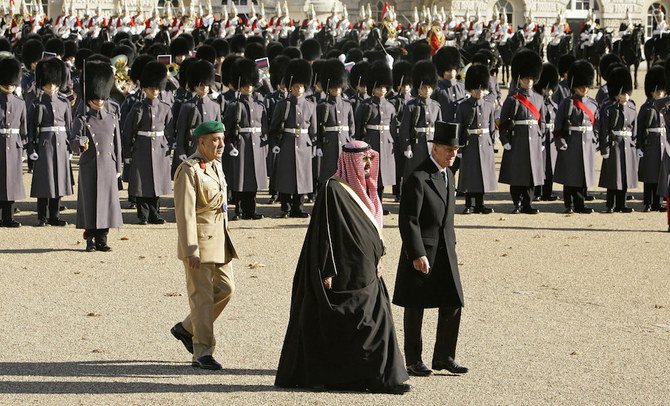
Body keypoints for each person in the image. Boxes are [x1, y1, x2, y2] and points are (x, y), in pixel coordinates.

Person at [275, 140, 410, 394]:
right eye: (362, 160)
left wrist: (378, 257)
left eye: (370, 158)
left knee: (378, 320)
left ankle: (382, 377)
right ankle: (360, 377)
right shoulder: (333, 189)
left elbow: (371, 228)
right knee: (359, 324)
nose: (368, 164)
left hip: (367, 268)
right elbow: (323, 233)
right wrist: (327, 269)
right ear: (349, 161)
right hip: (344, 271)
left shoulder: (367, 191)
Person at [393, 121, 467, 377]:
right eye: (448, 150)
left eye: (455, 150)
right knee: (416, 306)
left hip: (446, 248)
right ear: (435, 148)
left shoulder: (448, 174)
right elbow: (408, 220)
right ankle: (414, 360)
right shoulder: (418, 177)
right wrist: (416, 253)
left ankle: (444, 356)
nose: (452, 154)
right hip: (423, 251)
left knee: (453, 303)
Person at [171, 120, 238, 370]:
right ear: (201, 142)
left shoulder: (215, 165)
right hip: (199, 243)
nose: (220, 144)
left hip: (220, 240)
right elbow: (185, 213)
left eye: (222, 139)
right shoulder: (189, 170)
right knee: (202, 298)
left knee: (227, 289)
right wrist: (190, 249)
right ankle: (202, 352)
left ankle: (187, 328)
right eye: (214, 140)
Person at [73, 61, 123, 252]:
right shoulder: (82, 117)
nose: (99, 102)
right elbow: (73, 140)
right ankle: (90, 239)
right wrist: (80, 142)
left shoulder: (111, 116)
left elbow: (116, 142)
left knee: (107, 203)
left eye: (102, 98)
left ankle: (102, 238)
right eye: (96, 99)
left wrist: (118, 167)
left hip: (108, 164)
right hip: (90, 165)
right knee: (90, 203)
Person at [123, 61, 173, 225]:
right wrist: (128, 153)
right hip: (142, 147)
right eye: (152, 88)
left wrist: (167, 145)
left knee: (156, 182)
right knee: (142, 182)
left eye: (157, 88)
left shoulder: (165, 108)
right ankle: (143, 214)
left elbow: (169, 130)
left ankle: (154, 213)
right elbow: (129, 131)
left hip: (158, 147)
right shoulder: (138, 108)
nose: (155, 91)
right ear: (145, 89)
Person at [498, 49, 546, 214]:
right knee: (517, 172)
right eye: (526, 78)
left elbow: (542, 122)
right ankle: (517, 203)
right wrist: (505, 141)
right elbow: (503, 123)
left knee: (532, 173)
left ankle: (528, 203)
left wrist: (542, 140)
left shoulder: (539, 99)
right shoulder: (512, 99)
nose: (529, 82)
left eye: (532, 78)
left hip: (534, 139)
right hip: (517, 139)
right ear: (520, 79)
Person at [29, 57, 73, 227]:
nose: (52, 86)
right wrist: (31, 148)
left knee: (58, 178)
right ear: (43, 83)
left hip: (61, 143)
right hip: (45, 143)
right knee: (44, 179)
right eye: (48, 83)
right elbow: (32, 128)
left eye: (54, 83)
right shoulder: (36, 103)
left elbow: (68, 128)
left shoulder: (64, 103)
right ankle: (42, 216)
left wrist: (69, 148)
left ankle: (54, 215)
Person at [269, 58, 317, 218]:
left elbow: (313, 129)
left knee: (302, 176)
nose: (298, 89)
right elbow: (274, 127)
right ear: (291, 87)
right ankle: (286, 207)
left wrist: (314, 146)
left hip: (304, 144)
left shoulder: (310, 106)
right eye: (296, 86)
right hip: (287, 143)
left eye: (301, 86)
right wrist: (275, 143)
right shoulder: (283, 104)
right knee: (286, 176)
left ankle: (299, 207)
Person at [223, 58, 268, 220]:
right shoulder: (234, 105)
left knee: (253, 179)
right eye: (245, 85)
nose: (248, 87)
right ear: (240, 85)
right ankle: (239, 210)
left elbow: (264, 127)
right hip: (240, 144)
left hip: (256, 144)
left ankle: (251, 210)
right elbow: (227, 129)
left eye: (250, 84)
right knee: (240, 179)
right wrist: (230, 146)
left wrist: (265, 145)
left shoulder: (259, 104)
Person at [553, 60, 599, 214]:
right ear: (574, 86)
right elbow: (558, 124)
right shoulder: (567, 103)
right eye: (581, 86)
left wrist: (594, 139)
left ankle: (580, 204)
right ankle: (569, 204)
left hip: (587, 142)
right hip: (571, 141)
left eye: (586, 86)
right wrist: (561, 141)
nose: (584, 89)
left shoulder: (593, 104)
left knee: (582, 174)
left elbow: (597, 125)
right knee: (570, 175)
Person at [455, 63, 496, 214]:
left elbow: (491, 126)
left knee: (482, 173)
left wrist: (491, 142)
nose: (479, 91)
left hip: (484, 142)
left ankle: (480, 204)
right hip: (470, 142)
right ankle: (469, 204)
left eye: (482, 88)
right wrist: (459, 146)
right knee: (469, 173)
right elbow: (459, 126)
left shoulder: (488, 105)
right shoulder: (463, 106)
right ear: (470, 89)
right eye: (476, 88)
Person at [356, 60, 396, 211]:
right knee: (370, 176)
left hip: (385, 144)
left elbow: (392, 128)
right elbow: (359, 128)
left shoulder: (390, 106)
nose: (382, 90)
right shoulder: (366, 105)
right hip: (370, 142)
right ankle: (369, 204)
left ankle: (379, 204)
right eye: (379, 87)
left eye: (384, 87)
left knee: (382, 176)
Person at [598, 66, 638, 213]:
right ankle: (610, 204)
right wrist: (605, 148)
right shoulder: (609, 108)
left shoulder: (631, 107)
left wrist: (635, 146)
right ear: (617, 94)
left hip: (627, 144)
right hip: (614, 144)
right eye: (623, 92)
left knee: (625, 175)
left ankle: (622, 204)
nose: (626, 95)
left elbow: (634, 129)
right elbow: (604, 130)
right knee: (613, 176)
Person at [0, 56, 27, 227]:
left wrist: (23, 149)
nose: (10, 85)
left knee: (11, 182)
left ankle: (8, 217)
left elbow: (23, 129)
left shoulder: (20, 103)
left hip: (14, 146)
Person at [640, 66, 668, 212]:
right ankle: (648, 202)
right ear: (652, 92)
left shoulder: (666, 106)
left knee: (660, 174)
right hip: (650, 143)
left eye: (662, 91)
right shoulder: (646, 107)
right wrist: (639, 146)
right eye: (658, 91)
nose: (661, 93)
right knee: (649, 174)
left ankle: (657, 202)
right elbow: (639, 128)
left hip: (663, 143)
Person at [534, 63, 560, 202]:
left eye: (551, 89)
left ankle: (547, 192)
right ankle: (537, 191)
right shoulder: (537, 103)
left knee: (550, 166)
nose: (549, 92)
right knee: (540, 165)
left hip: (551, 138)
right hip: (541, 136)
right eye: (547, 89)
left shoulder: (555, 105)